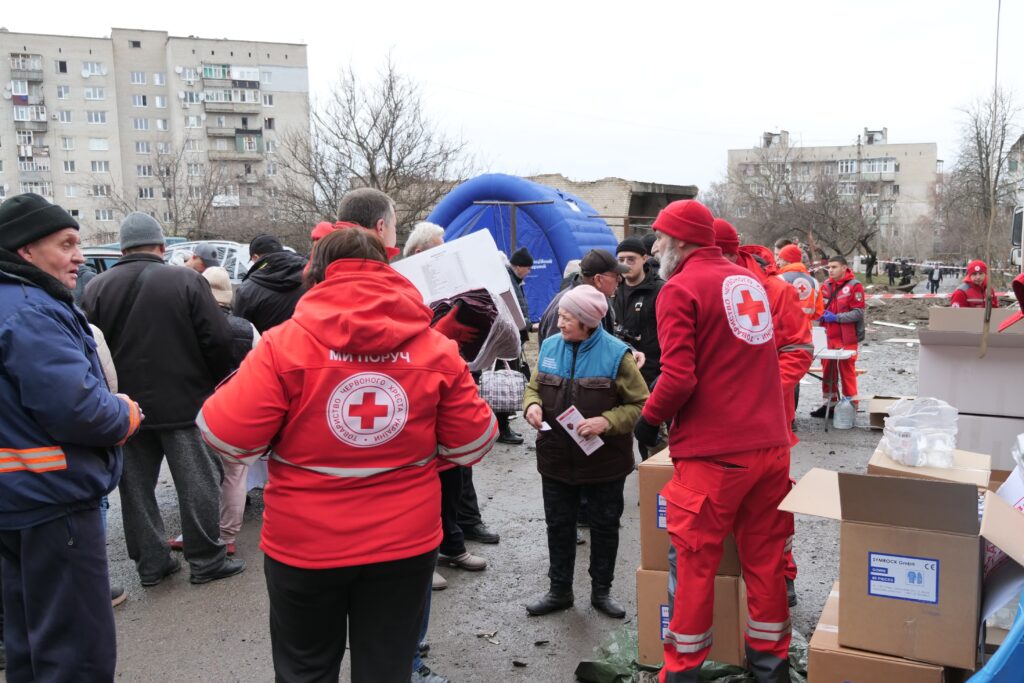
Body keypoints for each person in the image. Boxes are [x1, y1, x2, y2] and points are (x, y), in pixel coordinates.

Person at [197, 228, 498, 683]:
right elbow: (472, 442)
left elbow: (227, 437)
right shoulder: (437, 348)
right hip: (404, 542)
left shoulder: (282, 345)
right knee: (387, 668)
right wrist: (418, 454)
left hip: (304, 544)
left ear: (313, 276)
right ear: (390, 271)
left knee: (305, 669)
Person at [633, 199, 792, 682]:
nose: (655, 246)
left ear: (679, 240)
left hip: (716, 455)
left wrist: (648, 419)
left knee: (696, 565)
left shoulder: (679, 288)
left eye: (660, 237)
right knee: (765, 560)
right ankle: (771, 668)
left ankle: (681, 672)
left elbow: (679, 377)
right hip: (770, 447)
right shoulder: (748, 282)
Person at [0, 193, 143, 681]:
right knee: (76, 653)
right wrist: (124, 414)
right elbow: (79, 410)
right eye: (66, 244)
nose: (80, 256)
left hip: (17, 501)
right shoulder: (30, 311)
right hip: (52, 501)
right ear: (26, 251)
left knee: (30, 644)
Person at [82, 212, 244, 587]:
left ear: (122, 248)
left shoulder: (97, 287)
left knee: (135, 491)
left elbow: (90, 349)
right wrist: (215, 383)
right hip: (186, 403)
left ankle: (153, 565)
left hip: (125, 409)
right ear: (161, 246)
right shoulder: (186, 280)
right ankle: (206, 560)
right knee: (199, 483)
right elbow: (218, 339)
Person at [523, 285, 648, 618]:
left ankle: (601, 592)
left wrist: (606, 422)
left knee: (605, 527)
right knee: (558, 525)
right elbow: (533, 388)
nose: (559, 323)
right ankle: (559, 591)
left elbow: (639, 404)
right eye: (561, 316)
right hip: (555, 458)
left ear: (588, 322)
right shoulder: (550, 346)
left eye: (567, 318)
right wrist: (532, 406)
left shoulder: (617, 355)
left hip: (604, 463)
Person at [716, 220, 812, 608]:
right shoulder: (706, 286)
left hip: (769, 421)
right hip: (722, 424)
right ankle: (731, 575)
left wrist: (761, 393)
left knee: (772, 503)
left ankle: (782, 573)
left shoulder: (775, 290)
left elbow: (798, 351)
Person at [168, 267, 260, 557]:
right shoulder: (246, 328)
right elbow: (259, 370)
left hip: (197, 410)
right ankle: (227, 533)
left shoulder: (184, 327)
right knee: (235, 473)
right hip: (238, 409)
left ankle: (200, 533)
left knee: (200, 475)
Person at [810, 255, 864, 417]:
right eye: (829, 267)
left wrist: (837, 317)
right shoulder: (826, 286)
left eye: (834, 267)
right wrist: (819, 315)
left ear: (844, 268)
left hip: (846, 337)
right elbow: (818, 307)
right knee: (828, 372)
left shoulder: (855, 286)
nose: (830, 270)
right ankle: (830, 405)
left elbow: (858, 312)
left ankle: (850, 406)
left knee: (847, 372)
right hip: (827, 337)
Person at [538, 249, 629, 342]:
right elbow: (557, 352)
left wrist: (627, 351)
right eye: (616, 275)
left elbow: (607, 341)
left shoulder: (599, 298)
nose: (620, 279)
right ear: (598, 279)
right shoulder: (568, 307)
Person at [233, 235, 307, 333]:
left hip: (266, 346)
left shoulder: (247, 289)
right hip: (306, 345)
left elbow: (241, 333)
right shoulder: (310, 277)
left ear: (255, 257)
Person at [776, 244, 823, 333]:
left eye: (780, 259)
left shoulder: (778, 279)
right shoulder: (814, 282)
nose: (778, 263)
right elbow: (818, 312)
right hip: (807, 331)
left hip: (784, 331)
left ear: (788, 260)